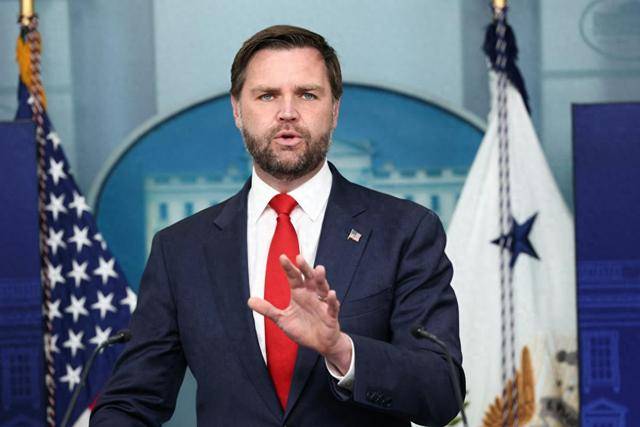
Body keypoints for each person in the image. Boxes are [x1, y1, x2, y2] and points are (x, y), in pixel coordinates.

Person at [91, 25, 464, 427]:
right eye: (267, 95)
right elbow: (130, 403)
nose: (287, 112)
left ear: (335, 110)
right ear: (237, 110)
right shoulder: (180, 249)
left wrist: (341, 350)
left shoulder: (405, 231)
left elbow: (441, 391)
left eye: (307, 94)